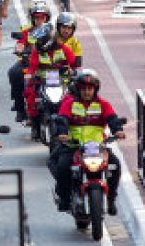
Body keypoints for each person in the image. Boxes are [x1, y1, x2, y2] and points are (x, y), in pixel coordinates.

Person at [49, 71, 126, 213]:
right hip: (74, 146)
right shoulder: (69, 103)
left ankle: (111, 199)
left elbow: (113, 119)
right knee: (61, 165)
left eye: (90, 89)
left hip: (98, 147)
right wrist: (62, 133)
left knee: (115, 164)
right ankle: (65, 198)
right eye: (84, 89)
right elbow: (62, 120)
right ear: (78, 89)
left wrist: (118, 131)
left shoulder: (104, 104)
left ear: (95, 90)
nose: (87, 92)